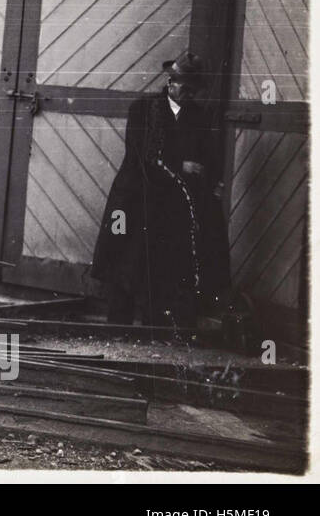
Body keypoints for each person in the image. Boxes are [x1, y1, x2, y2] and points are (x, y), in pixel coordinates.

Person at [89, 52, 230, 326]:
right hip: (136, 196)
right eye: (184, 87)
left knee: (166, 262)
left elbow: (210, 157)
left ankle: (157, 324)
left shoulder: (199, 116)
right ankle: (119, 324)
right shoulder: (144, 110)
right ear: (170, 82)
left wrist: (213, 181)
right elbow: (139, 153)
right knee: (127, 259)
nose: (188, 94)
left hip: (172, 202)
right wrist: (181, 165)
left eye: (194, 90)